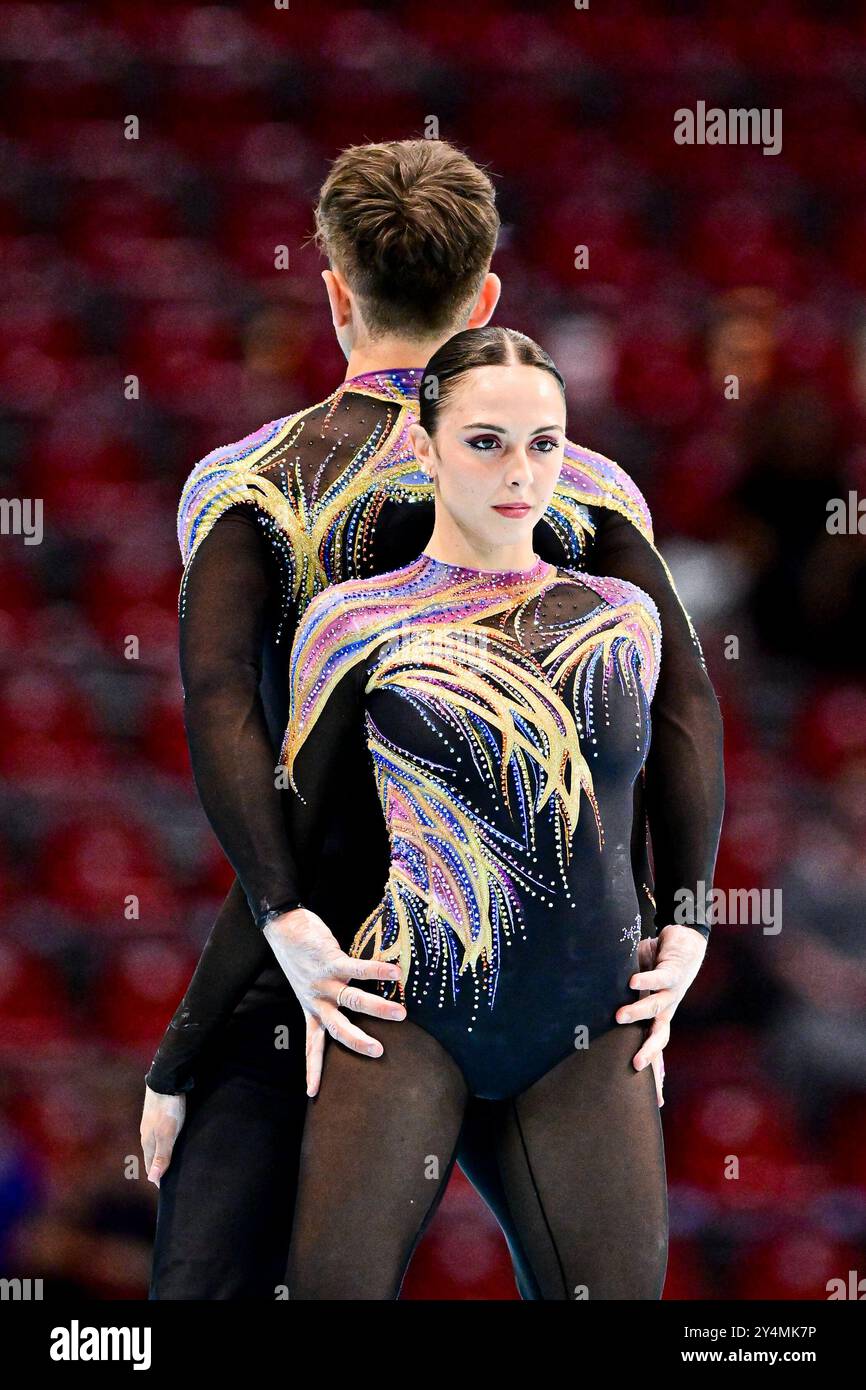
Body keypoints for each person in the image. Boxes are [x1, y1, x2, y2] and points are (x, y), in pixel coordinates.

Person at [141, 138, 724, 1299]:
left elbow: (220, 708)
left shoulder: (248, 479)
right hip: (545, 932)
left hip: (315, 937)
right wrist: (686, 909)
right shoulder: (589, 486)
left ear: (334, 292)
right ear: (486, 297)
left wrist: (284, 917)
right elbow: (685, 703)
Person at [281, 326, 710, 1298]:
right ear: (424, 448)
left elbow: (673, 769)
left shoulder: (619, 616)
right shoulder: (355, 618)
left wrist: (688, 924)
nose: (520, 471)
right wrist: (282, 940)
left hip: (590, 1016)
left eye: (544, 443)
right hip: (406, 1003)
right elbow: (291, 837)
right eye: (485, 441)